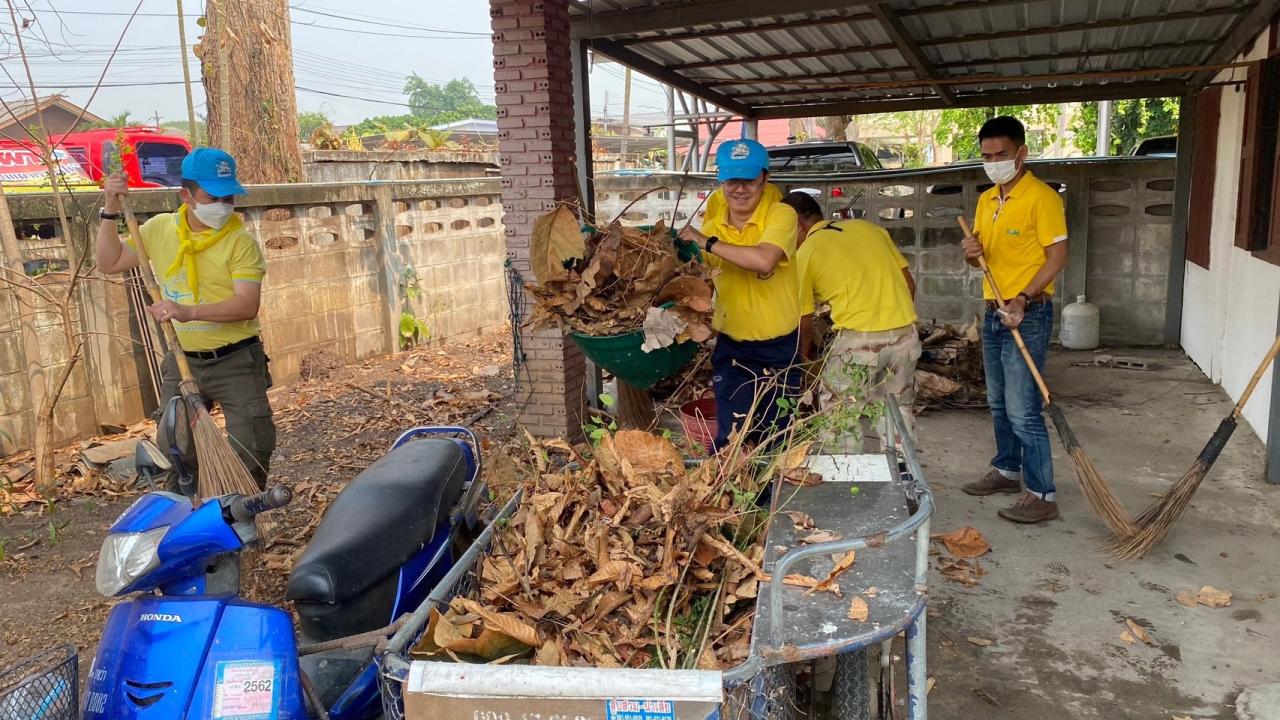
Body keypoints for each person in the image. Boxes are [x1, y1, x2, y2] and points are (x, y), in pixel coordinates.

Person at [95, 148, 276, 488]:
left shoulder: (240, 243)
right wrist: (110, 211)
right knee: (176, 446)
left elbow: (246, 305)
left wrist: (186, 312)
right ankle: (189, 517)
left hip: (236, 359)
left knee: (251, 445)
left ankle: (241, 517)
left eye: (229, 197)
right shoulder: (160, 229)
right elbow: (109, 262)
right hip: (181, 361)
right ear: (186, 194)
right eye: (213, 196)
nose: (223, 205)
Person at [959, 116, 1069, 524]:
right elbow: (978, 262)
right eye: (987, 156)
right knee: (998, 402)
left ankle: (1042, 493)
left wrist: (1023, 298)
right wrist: (971, 252)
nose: (993, 162)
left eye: (1001, 155)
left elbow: (1058, 256)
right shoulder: (987, 199)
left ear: (1021, 152)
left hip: (1028, 311)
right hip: (993, 311)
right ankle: (1007, 470)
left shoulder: (1042, 198)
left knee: (1024, 408)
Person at [677, 138, 801, 451]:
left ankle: (769, 500)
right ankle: (729, 498)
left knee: (775, 437)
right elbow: (696, 280)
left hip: (780, 347)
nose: (740, 189)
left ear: (764, 179)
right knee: (730, 438)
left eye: (749, 180)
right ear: (722, 181)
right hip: (732, 348)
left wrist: (706, 242)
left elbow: (763, 259)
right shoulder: (713, 224)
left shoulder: (781, 215)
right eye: (732, 180)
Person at [782, 191, 919, 453]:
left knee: (840, 417)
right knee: (896, 409)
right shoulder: (870, 229)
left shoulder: (805, 254)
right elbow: (908, 284)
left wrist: (802, 362)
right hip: (905, 335)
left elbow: (804, 321)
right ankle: (907, 481)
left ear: (797, 225)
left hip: (858, 342)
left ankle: (846, 482)